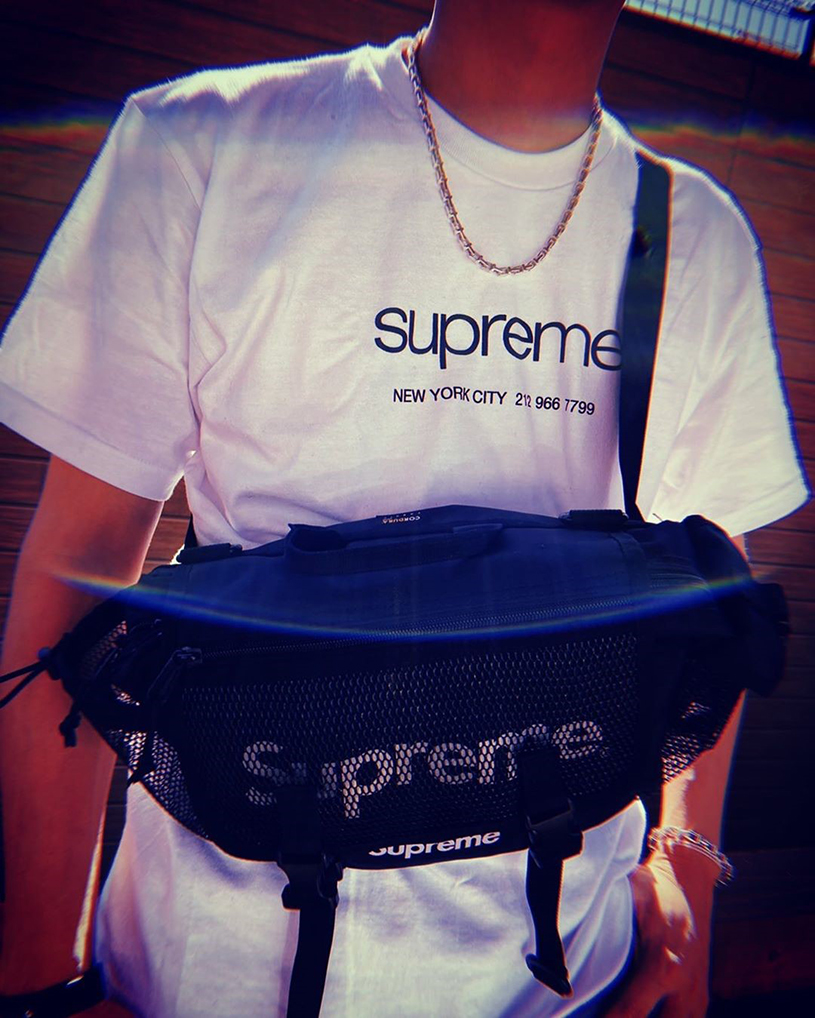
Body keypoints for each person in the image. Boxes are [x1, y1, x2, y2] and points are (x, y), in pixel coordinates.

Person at [0, 1, 808, 1015]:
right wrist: (43, 977)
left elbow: (709, 599)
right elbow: (77, 569)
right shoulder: (204, 143)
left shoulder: (697, 236)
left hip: (566, 977)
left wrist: (681, 872)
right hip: (210, 974)